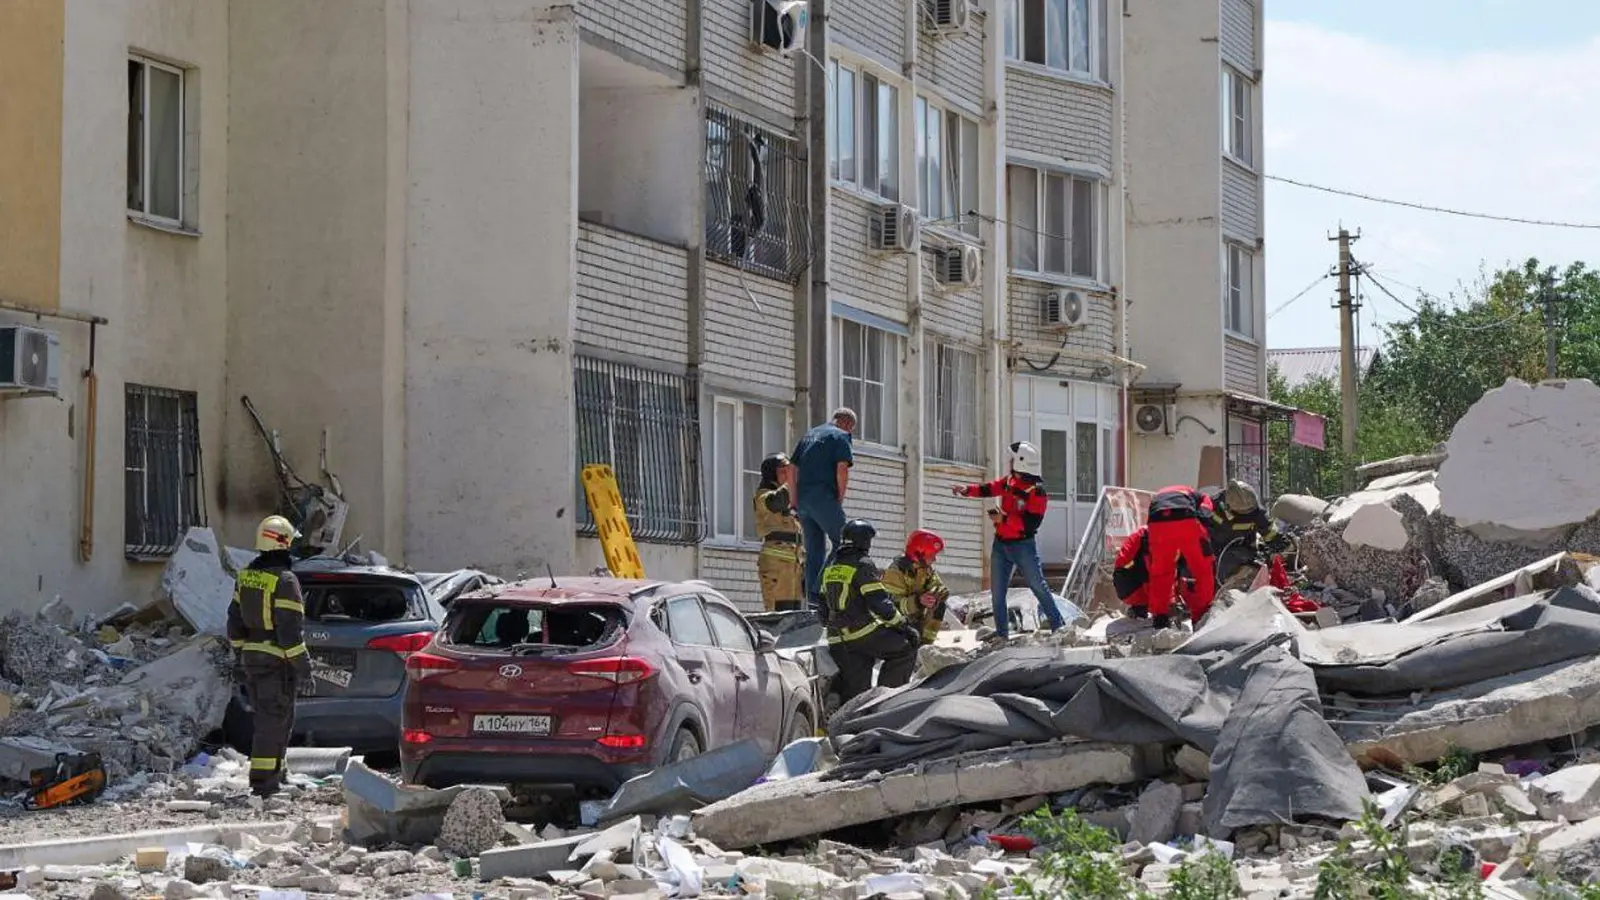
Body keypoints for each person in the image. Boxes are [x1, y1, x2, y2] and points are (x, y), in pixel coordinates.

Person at [227, 515, 312, 797]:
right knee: (272, 720)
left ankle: (277, 772)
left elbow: (234, 622)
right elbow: (289, 632)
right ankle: (263, 783)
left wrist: (240, 653)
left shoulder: (247, 576)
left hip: (253, 657)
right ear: (284, 543)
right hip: (276, 660)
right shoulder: (285, 581)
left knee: (278, 718)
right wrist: (305, 667)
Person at [951, 441, 1067, 641]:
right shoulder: (1010, 481)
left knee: (1037, 585)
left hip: (1023, 546)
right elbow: (989, 488)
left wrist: (1003, 519)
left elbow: (1031, 524)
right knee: (997, 592)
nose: (1010, 462)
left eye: (1013, 459)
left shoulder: (1036, 491)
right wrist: (966, 490)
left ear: (1022, 462)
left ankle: (1059, 625)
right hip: (1001, 544)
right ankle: (1002, 634)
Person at [818, 519, 918, 704]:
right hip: (861, 634)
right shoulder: (863, 564)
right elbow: (880, 603)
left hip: (836, 639)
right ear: (863, 541)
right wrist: (903, 625)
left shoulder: (831, 566)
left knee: (857, 693)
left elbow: (822, 608)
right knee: (907, 647)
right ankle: (888, 701)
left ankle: (848, 716)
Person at [792, 408, 856, 607]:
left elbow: (791, 468)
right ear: (847, 424)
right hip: (823, 497)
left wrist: (794, 500)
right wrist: (839, 499)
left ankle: (813, 601)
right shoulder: (841, 436)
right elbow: (842, 469)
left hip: (803, 500)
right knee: (846, 541)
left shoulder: (810, 435)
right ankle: (820, 587)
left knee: (814, 550)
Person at [1145, 485, 1217, 628]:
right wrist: (1204, 520)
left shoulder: (1159, 495)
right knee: (1202, 569)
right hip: (1186, 520)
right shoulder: (1198, 495)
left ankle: (1160, 618)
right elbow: (1206, 508)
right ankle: (1201, 614)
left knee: (1161, 572)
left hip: (1157, 523)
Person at [753, 452, 805, 612]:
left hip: (794, 567)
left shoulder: (790, 499)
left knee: (794, 615)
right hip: (776, 567)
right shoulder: (763, 496)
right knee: (778, 615)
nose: (788, 474)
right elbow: (777, 501)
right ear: (772, 473)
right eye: (784, 470)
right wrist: (793, 479)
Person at [1205, 479, 1284, 584]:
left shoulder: (1257, 512)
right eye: (1244, 511)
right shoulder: (1211, 506)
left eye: (1251, 509)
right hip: (1213, 549)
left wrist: (1281, 547)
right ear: (1228, 507)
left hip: (1243, 549)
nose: (1249, 513)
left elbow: (1271, 533)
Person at [882, 529, 951, 646]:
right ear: (919, 553)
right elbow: (891, 606)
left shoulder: (925, 568)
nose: (934, 559)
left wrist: (936, 595)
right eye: (931, 555)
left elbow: (939, 586)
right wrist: (918, 601)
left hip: (915, 618)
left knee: (940, 605)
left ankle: (926, 645)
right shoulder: (896, 572)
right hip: (894, 625)